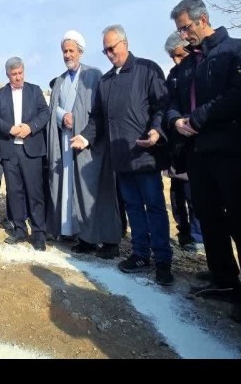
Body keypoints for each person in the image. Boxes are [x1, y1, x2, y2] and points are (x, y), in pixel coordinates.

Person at [165, 0, 241, 325]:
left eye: (186, 28)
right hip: (198, 155)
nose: (184, 36)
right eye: (180, 31)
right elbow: (172, 102)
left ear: (203, 19)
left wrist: (200, 117)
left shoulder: (237, 50)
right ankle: (224, 278)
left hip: (230, 151)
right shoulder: (186, 66)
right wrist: (176, 121)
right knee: (209, 218)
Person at [72, 25, 173, 286]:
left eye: (112, 48)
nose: (109, 54)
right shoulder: (106, 82)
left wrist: (156, 130)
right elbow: (97, 119)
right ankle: (140, 254)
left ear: (125, 43)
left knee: (154, 207)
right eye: (105, 50)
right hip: (121, 157)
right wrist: (85, 137)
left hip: (145, 154)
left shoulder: (147, 70)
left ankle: (163, 260)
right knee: (132, 207)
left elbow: (162, 105)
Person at [46, 31, 120, 258]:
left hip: (90, 145)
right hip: (66, 143)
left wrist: (78, 121)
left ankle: (108, 241)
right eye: (64, 51)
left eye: (71, 50)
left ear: (80, 51)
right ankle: (81, 236)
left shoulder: (93, 75)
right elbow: (54, 109)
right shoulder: (59, 81)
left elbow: (100, 110)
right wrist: (63, 117)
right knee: (69, 190)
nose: (67, 55)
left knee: (95, 192)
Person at [0, 57, 49, 250]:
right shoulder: (0, 94)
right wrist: (10, 129)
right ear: (8, 75)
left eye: (20, 73)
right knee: (14, 193)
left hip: (31, 150)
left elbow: (45, 113)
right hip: (10, 150)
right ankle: (19, 229)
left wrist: (30, 127)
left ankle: (39, 233)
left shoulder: (35, 90)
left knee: (35, 192)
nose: (18, 77)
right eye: (14, 74)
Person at [163, 32, 203, 252]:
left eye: (180, 55)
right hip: (176, 145)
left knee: (194, 193)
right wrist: (174, 120)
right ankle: (184, 232)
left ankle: (198, 235)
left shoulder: (199, 69)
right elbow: (169, 104)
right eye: (172, 57)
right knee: (177, 194)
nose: (177, 61)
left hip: (195, 143)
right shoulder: (173, 76)